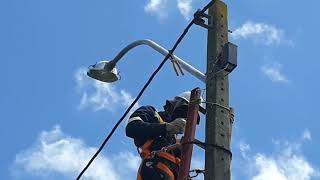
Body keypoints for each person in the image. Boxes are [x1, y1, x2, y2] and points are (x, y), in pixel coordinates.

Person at [126, 92, 202, 180]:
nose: (185, 117)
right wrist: (166, 127)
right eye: (184, 110)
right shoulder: (151, 113)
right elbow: (132, 128)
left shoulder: (176, 142)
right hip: (155, 169)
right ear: (175, 103)